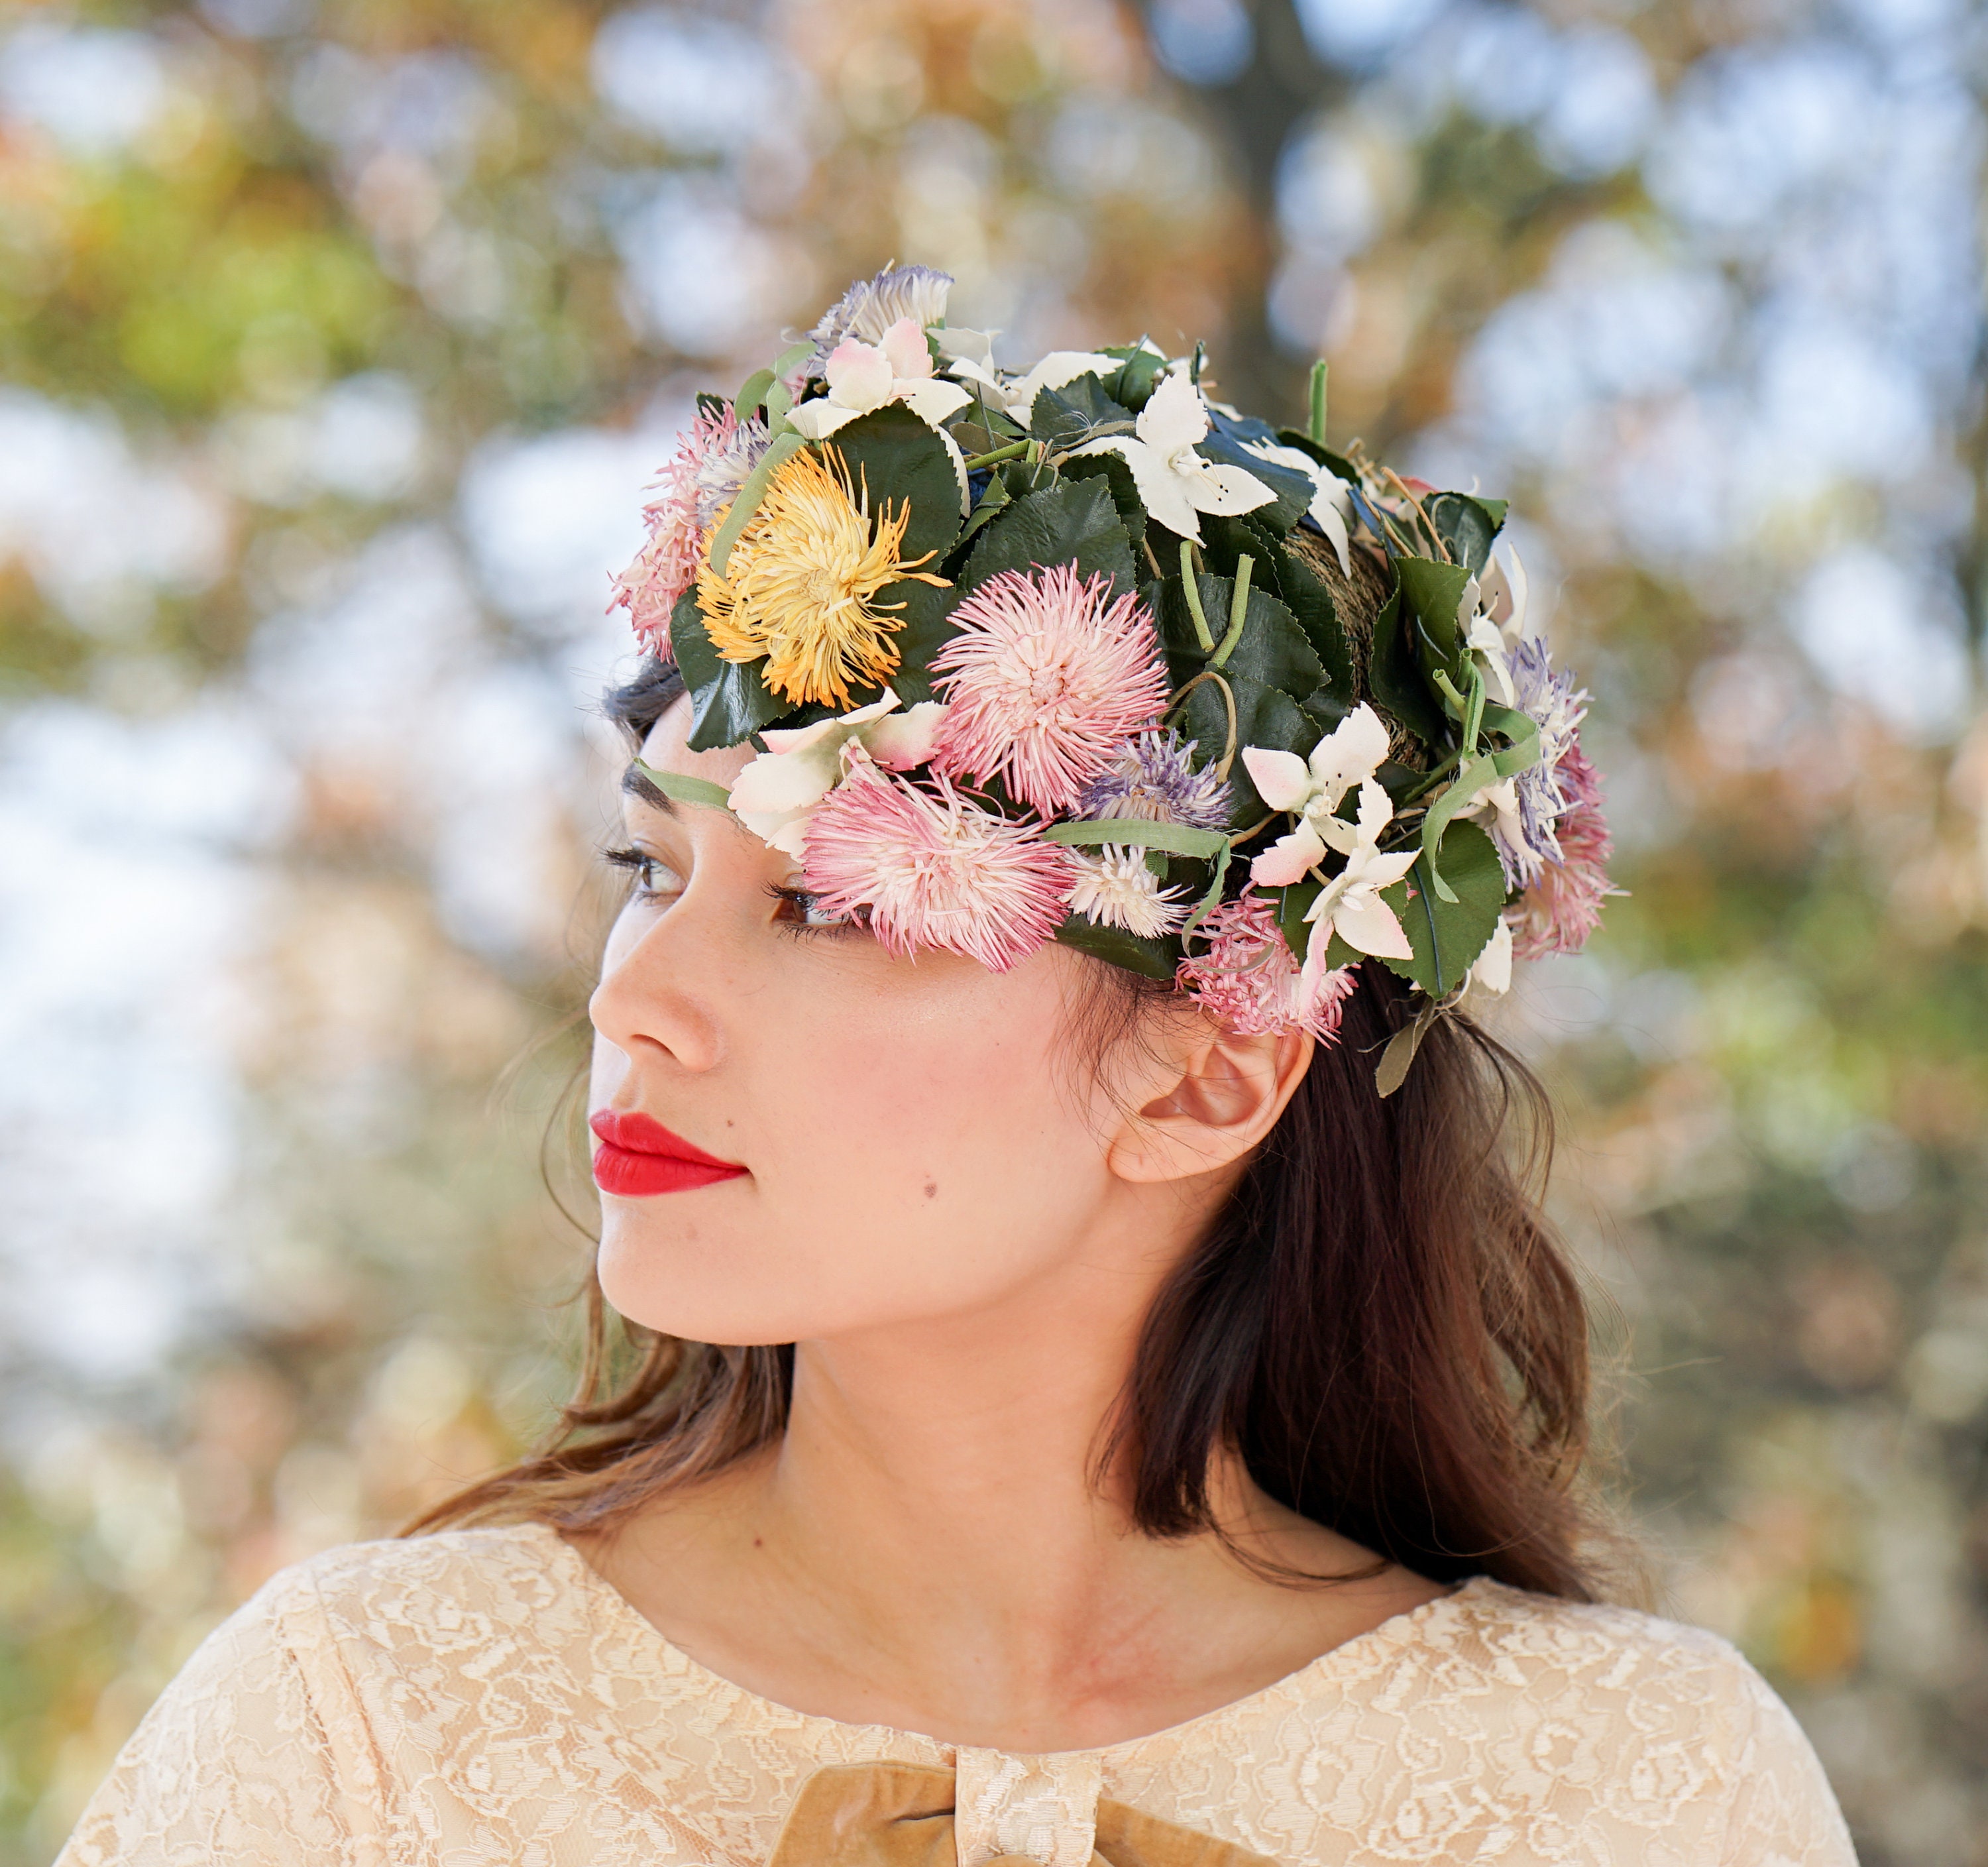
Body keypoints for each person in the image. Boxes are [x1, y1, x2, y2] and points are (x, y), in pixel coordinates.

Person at [58, 270, 1856, 1866]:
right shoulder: (358, 1742)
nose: (637, 1002)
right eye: (649, 872)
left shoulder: (1640, 1800)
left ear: (1208, 1076)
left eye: (835, 906)